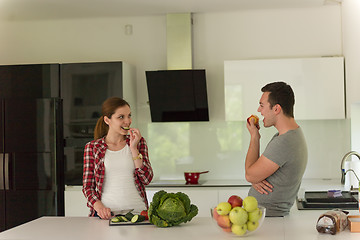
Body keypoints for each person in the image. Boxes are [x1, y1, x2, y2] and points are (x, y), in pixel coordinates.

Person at [82, 97, 153, 219]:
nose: (128, 121)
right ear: (107, 120)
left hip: (138, 214)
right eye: (121, 117)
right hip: (106, 217)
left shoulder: (138, 143)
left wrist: (134, 148)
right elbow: (88, 187)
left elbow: (146, 179)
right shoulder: (92, 147)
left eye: (129, 116)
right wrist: (98, 207)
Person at [245, 82, 308, 217]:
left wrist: (254, 137)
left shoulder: (285, 141)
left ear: (276, 109)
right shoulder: (290, 134)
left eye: (262, 105)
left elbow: (250, 174)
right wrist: (255, 178)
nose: (258, 110)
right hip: (268, 217)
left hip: (270, 219)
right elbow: (254, 174)